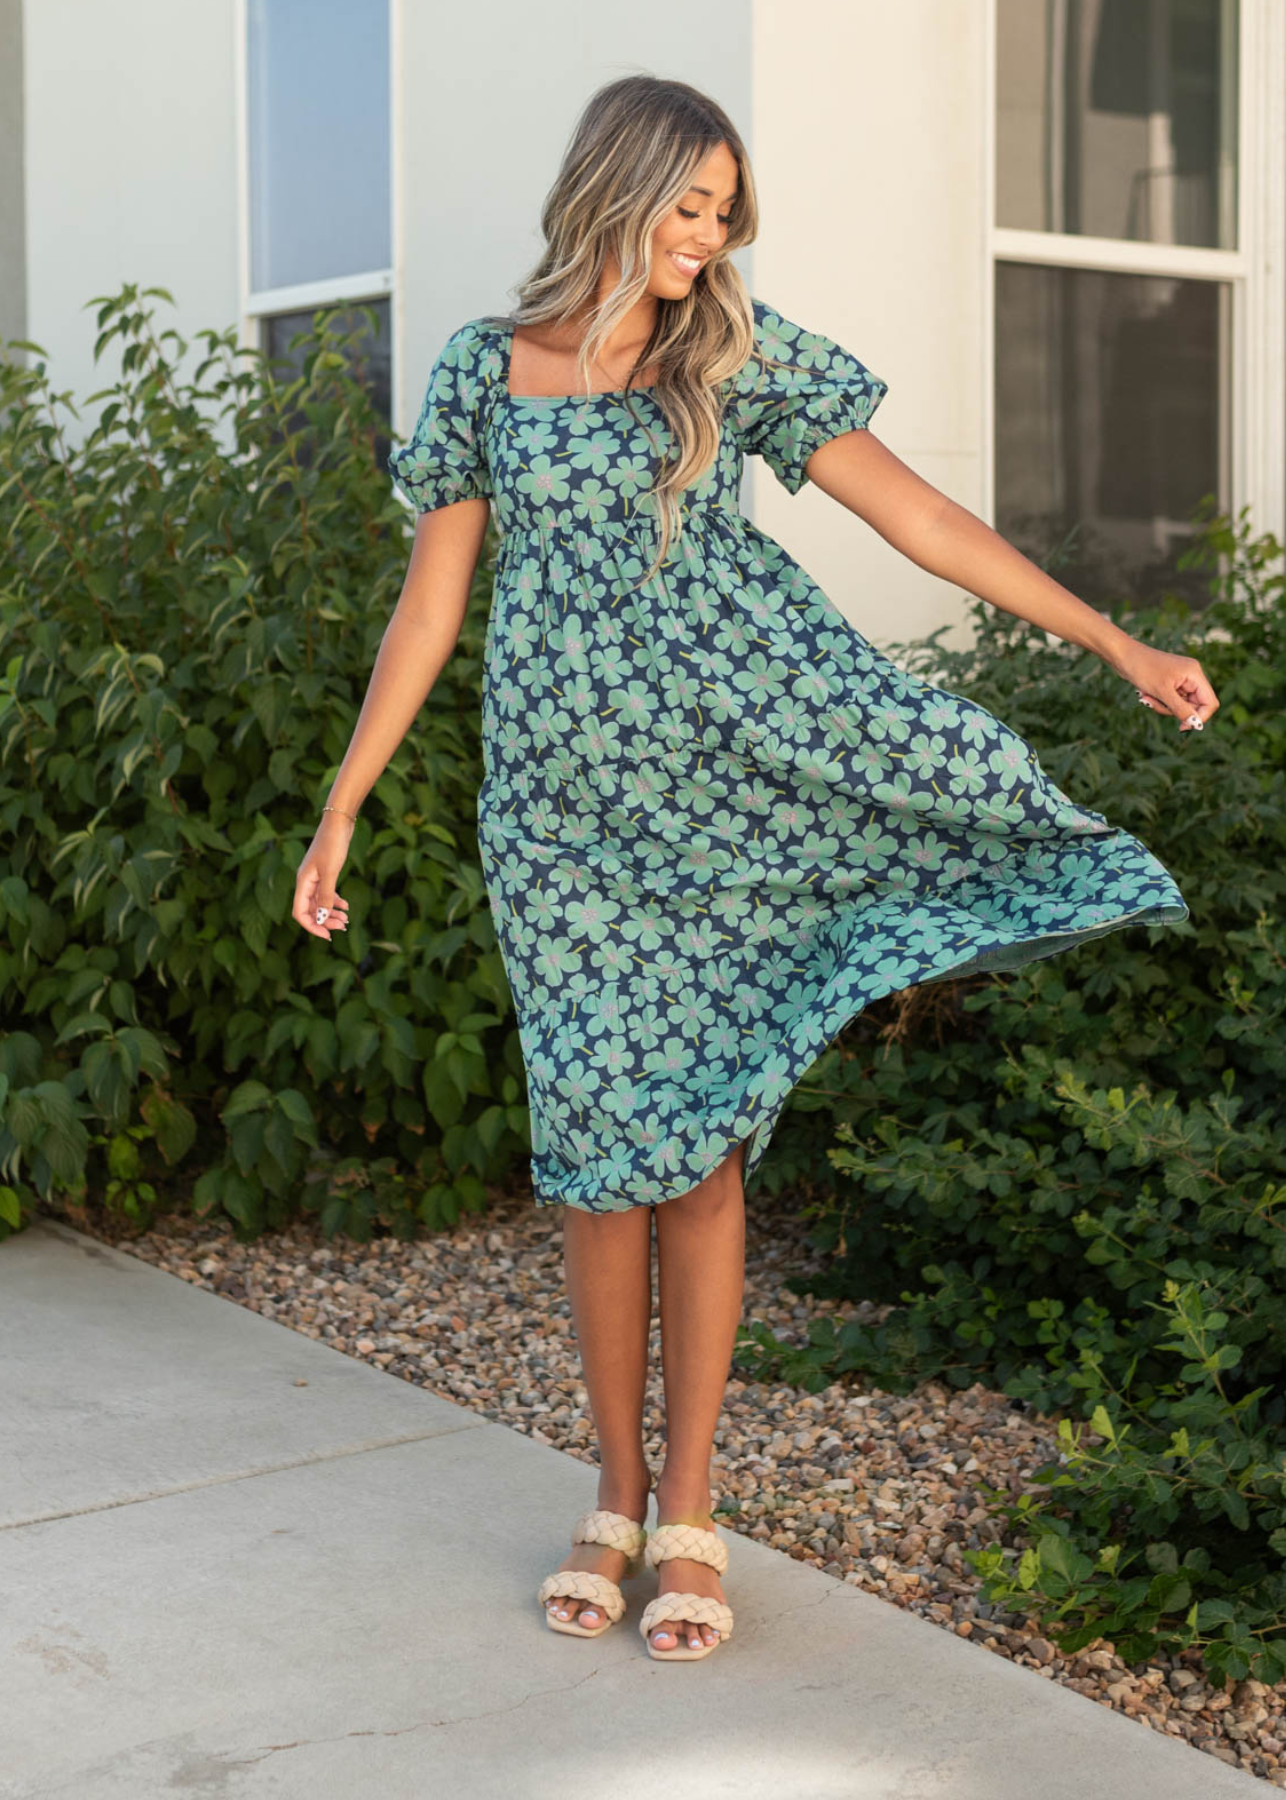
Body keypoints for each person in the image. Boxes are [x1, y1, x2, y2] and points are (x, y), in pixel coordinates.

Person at [291, 74, 1217, 1663]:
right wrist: (343, 804)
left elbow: (913, 514)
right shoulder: (479, 374)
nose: (709, 232)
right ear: (620, 185)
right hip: (563, 823)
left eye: (726, 210)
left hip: (738, 789)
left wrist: (1111, 637)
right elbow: (430, 608)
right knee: (594, 1160)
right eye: (691, 202)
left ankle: (694, 1508)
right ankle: (612, 1487)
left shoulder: (726, 347)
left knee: (703, 1149)